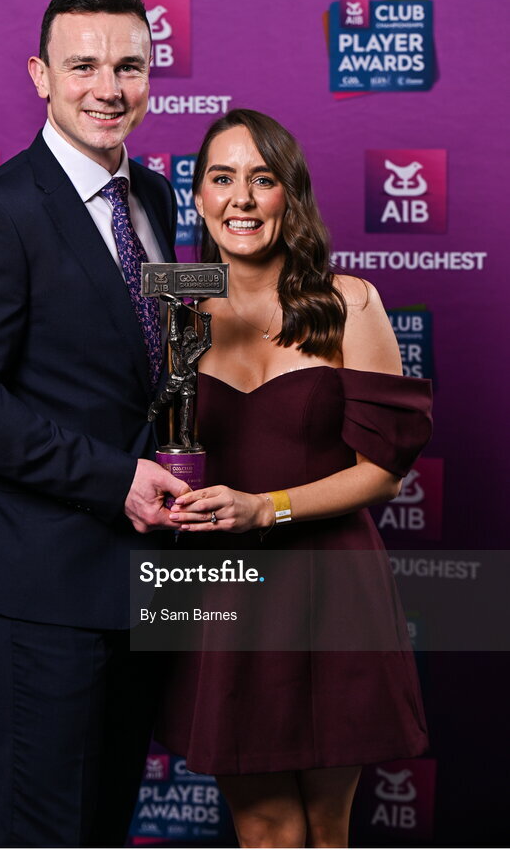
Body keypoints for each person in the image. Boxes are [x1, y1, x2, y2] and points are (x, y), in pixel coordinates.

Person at [0, 0, 189, 848]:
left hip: (144, 584)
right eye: (83, 66)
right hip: (43, 586)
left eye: (129, 66)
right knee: (47, 833)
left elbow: (156, 354)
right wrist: (117, 482)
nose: (108, 86)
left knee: (104, 823)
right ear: (40, 75)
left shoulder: (155, 200)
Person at [155, 108, 432, 848]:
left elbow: (384, 475)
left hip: (331, 586)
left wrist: (264, 509)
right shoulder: (173, 313)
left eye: (262, 179)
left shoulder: (350, 302)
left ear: (290, 196)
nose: (240, 199)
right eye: (221, 179)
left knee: (328, 827)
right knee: (266, 828)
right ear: (199, 196)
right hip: (218, 594)